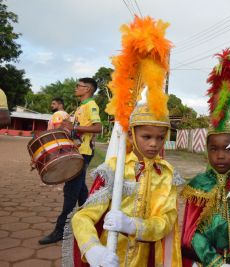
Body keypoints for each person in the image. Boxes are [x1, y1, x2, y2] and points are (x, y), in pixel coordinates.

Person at [66, 103, 182, 266]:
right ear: (130, 134)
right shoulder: (114, 169)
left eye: (160, 137)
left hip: (147, 259)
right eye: (147, 137)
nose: (154, 144)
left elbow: (167, 221)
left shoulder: (166, 173)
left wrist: (133, 226)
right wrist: (93, 249)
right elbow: (83, 216)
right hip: (112, 256)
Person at [181, 49, 230, 267]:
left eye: (228, 148)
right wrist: (216, 262)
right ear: (206, 150)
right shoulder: (199, 186)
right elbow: (190, 234)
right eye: (214, 149)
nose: (220, 155)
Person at [38, 77, 102, 245]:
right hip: (76, 152)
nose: (75, 88)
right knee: (80, 190)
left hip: (83, 153)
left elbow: (98, 127)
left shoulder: (91, 106)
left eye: (78, 86)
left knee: (70, 191)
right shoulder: (80, 107)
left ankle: (61, 230)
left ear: (87, 89)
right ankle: (91, 222)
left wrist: (73, 127)